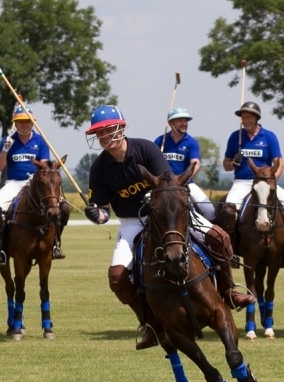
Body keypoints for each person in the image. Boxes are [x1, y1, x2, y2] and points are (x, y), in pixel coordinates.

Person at [84, 105, 254, 350]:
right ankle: (150, 323)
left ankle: (229, 291)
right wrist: (96, 214)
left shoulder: (145, 149)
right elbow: (102, 213)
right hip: (132, 222)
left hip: (166, 215)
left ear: (121, 128)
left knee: (220, 236)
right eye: (99, 133)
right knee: (117, 278)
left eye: (108, 129)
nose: (104, 136)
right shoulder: (99, 168)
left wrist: (155, 203)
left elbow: (169, 184)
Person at [222, 101, 284, 268]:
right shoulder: (236, 137)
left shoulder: (269, 137)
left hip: (265, 182)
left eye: (249, 117)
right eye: (243, 117)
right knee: (228, 212)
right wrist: (234, 163)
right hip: (242, 182)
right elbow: (225, 165)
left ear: (256, 118)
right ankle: (231, 252)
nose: (245, 120)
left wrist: (272, 181)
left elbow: (279, 163)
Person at [0, 104, 68, 265]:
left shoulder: (40, 141)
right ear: (15, 123)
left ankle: (55, 244)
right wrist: (5, 150)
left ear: (33, 122)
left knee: (63, 209)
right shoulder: (8, 141)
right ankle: (1, 249)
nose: (24, 124)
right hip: (14, 183)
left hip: (37, 183)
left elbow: (45, 166)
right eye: (20, 121)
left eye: (27, 121)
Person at [154, 106, 216, 221]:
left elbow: (195, 164)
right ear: (170, 123)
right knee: (145, 205)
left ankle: (208, 238)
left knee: (210, 210)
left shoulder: (191, 142)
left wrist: (183, 179)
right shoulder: (160, 141)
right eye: (180, 120)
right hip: (163, 185)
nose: (184, 123)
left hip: (186, 183)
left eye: (186, 120)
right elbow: (151, 163)